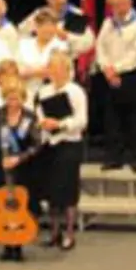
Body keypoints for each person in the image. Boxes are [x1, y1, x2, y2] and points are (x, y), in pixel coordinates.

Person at [0, 78, 42, 261]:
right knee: (2, 206)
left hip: (23, 170)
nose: (12, 103)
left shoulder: (30, 118)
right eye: (9, 98)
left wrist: (19, 158)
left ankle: (18, 245)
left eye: (16, 99)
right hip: (0, 168)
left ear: (22, 98)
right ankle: (6, 244)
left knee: (20, 207)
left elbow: (37, 145)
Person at [96, 0, 136, 173]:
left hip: (131, 75)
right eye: (114, 4)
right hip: (109, 75)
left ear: (129, 3)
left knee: (135, 117)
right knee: (112, 118)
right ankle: (113, 158)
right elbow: (100, 47)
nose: (118, 7)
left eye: (121, 3)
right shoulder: (108, 23)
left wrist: (116, 70)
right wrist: (106, 68)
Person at [36, 51, 88, 251]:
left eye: (58, 68)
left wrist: (61, 123)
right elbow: (40, 114)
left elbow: (82, 121)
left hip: (69, 143)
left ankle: (69, 233)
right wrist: (44, 123)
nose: (54, 72)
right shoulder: (44, 91)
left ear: (67, 70)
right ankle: (54, 232)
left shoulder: (75, 91)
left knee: (67, 191)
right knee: (51, 191)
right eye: (51, 68)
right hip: (50, 144)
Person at [18, 0, 94, 59]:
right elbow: (21, 32)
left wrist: (67, 36)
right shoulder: (39, 14)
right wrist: (37, 33)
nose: (61, 1)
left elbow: (88, 42)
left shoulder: (75, 15)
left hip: (65, 62)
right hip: (39, 60)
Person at [17, 9, 70, 102]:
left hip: (53, 95)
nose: (48, 29)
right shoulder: (23, 44)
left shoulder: (61, 46)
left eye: (52, 25)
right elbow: (16, 71)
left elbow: (59, 72)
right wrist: (37, 71)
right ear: (36, 26)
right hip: (25, 94)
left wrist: (31, 71)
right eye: (45, 25)